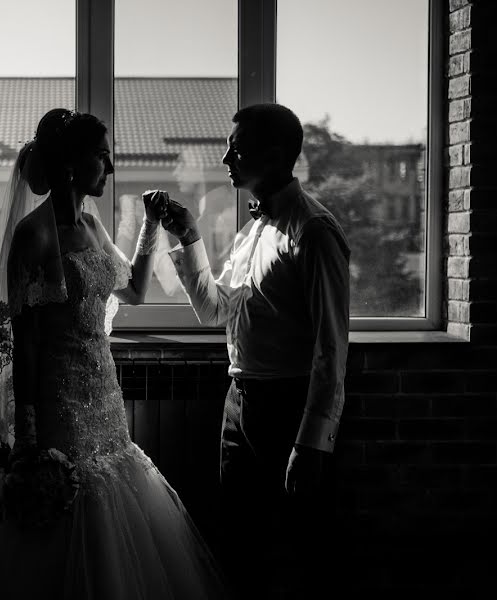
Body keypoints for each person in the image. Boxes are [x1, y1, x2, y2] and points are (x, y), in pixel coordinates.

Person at [0, 108, 227, 599]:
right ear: (69, 164)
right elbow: (27, 345)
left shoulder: (93, 225)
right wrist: (30, 438)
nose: (109, 166)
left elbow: (136, 292)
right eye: (101, 156)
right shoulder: (33, 236)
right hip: (60, 409)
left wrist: (150, 226)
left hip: (104, 399)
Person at [157, 102, 351, 600]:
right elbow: (215, 310)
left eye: (236, 148)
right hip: (237, 406)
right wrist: (187, 236)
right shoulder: (251, 231)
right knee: (239, 545)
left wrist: (312, 444)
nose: (225, 157)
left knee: (308, 551)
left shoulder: (314, 232)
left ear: (278, 152)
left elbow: (331, 347)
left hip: (289, 408)